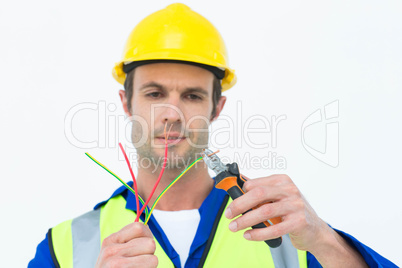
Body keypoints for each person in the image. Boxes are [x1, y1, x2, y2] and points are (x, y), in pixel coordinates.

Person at [29, 3, 397, 268]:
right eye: (155, 94)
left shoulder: (286, 231)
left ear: (216, 108)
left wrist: (324, 239)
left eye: (192, 96)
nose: (172, 114)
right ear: (126, 102)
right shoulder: (66, 247)